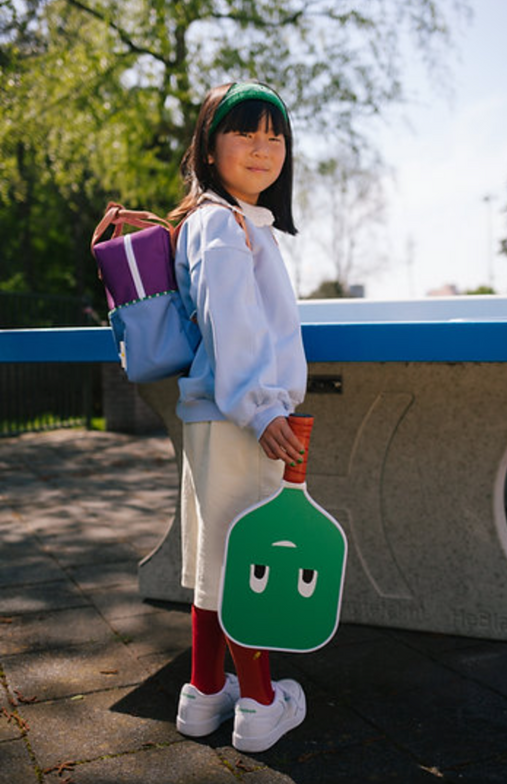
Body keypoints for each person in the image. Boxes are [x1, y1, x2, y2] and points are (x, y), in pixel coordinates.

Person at [169, 81, 308, 753]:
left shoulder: (228, 220)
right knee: (252, 558)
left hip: (214, 414)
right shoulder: (223, 224)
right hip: (241, 417)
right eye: (245, 133)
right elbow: (234, 324)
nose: (263, 147)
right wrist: (262, 409)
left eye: (274, 136)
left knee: (214, 555)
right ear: (209, 145)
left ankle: (203, 693)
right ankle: (257, 704)